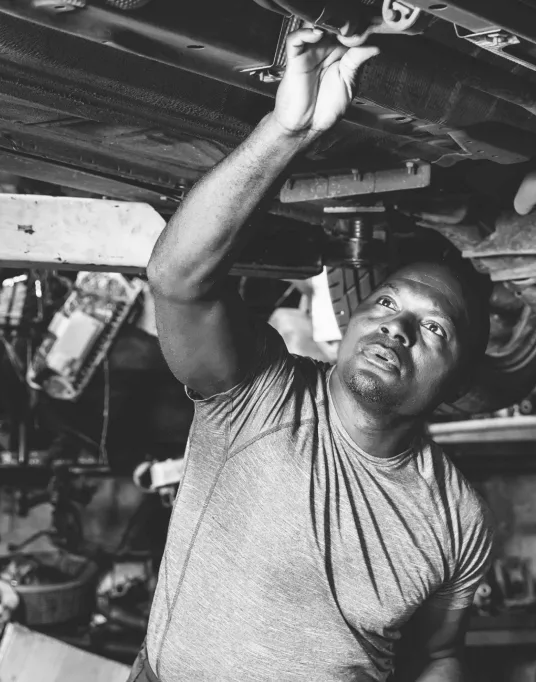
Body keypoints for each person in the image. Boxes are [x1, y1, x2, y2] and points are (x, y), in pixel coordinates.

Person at [135, 27, 495, 682]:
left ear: (459, 381)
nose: (396, 329)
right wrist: (288, 130)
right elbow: (177, 279)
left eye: (433, 328)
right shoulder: (255, 392)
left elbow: (437, 655)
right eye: (386, 304)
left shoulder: (458, 516)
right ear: (354, 316)